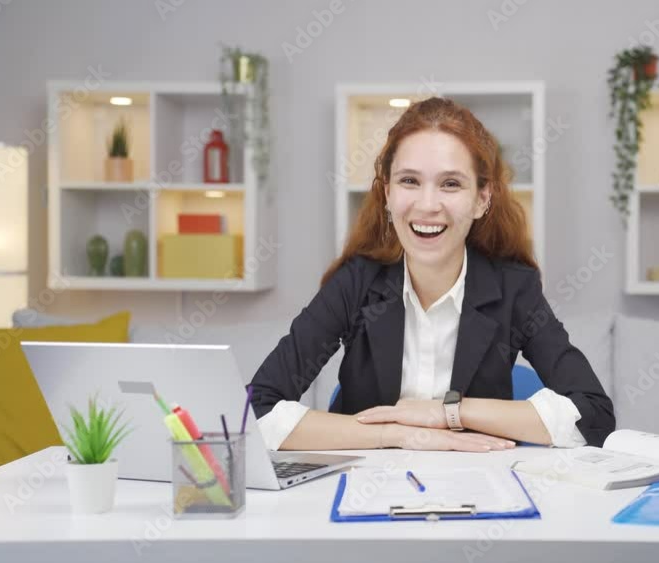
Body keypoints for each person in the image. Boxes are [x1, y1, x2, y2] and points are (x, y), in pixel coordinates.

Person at [249, 97, 615, 452]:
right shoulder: (356, 283)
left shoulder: (514, 288)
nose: (427, 205)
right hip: (365, 488)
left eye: (451, 184)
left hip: (479, 489)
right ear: (388, 193)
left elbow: (594, 416)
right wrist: (397, 434)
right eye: (410, 181)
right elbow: (255, 411)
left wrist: (447, 412)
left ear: (482, 199)